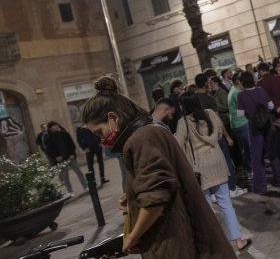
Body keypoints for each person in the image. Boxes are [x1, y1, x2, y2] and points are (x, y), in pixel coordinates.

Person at [82, 76, 236, 257]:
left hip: (176, 242)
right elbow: (162, 181)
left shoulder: (142, 138)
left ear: (112, 118)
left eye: (100, 132)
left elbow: (156, 199)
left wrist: (132, 237)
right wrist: (133, 195)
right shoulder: (149, 131)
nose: (101, 139)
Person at [175, 92, 252, 252]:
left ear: (184, 106)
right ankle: (238, 241)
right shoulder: (209, 113)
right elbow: (218, 134)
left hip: (199, 169)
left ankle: (216, 246)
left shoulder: (184, 122)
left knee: (206, 209)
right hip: (217, 162)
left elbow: (177, 144)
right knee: (226, 203)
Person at [237, 71, 280, 194]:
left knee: (257, 158)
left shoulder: (241, 96)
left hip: (254, 127)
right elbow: (270, 106)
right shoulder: (261, 90)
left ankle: (260, 187)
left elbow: (240, 114)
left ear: (242, 82)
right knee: (274, 153)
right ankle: (279, 180)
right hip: (268, 124)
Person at [45, 121, 88, 195]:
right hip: (61, 161)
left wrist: (72, 154)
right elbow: (49, 151)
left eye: (56, 125)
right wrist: (56, 157)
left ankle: (86, 187)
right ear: (50, 128)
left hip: (70, 157)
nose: (56, 126)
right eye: (54, 126)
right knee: (65, 177)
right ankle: (70, 192)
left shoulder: (65, 134)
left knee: (79, 172)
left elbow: (72, 145)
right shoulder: (48, 139)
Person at [228, 72, 252, 175]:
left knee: (244, 147)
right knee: (248, 148)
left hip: (237, 124)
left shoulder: (234, 90)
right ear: (238, 81)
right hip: (241, 123)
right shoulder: (237, 92)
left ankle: (249, 168)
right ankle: (250, 169)